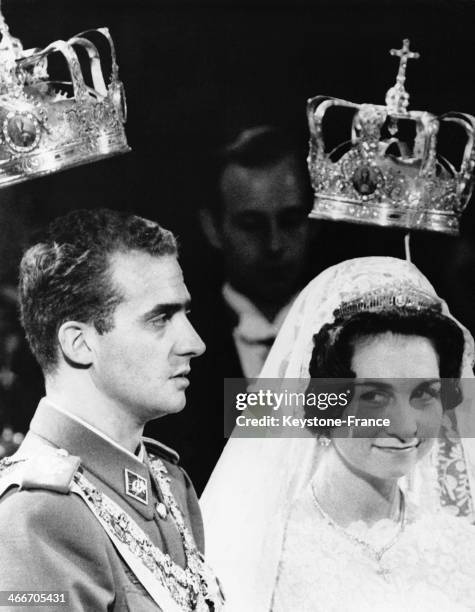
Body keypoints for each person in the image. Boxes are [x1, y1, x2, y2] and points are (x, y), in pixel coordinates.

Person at [201, 256, 475, 611]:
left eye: (424, 393)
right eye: (375, 396)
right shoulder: (260, 548)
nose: (406, 426)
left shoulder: (458, 544)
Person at [0, 209, 224, 611]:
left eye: (185, 314)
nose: (194, 342)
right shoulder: (37, 516)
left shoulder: (171, 483)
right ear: (80, 344)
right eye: (160, 318)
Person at [199, 125, 313, 379]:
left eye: (290, 221)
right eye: (251, 225)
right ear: (213, 228)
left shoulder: (351, 334)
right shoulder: (181, 344)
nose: (274, 245)